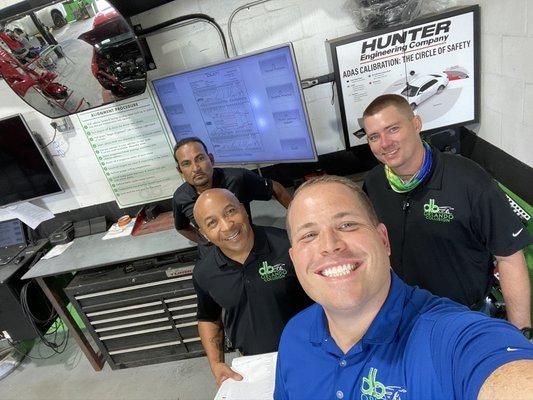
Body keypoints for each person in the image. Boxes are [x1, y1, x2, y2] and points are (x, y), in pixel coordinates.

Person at [275, 175, 533, 400]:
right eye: (308, 235)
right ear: (295, 258)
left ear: (384, 240)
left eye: (347, 225)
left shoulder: (448, 338)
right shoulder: (293, 336)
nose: (330, 245)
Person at [362, 94, 531, 329]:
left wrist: (520, 338)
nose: (385, 143)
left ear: (416, 124)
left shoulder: (469, 180)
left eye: (392, 129)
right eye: (374, 136)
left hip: (464, 319)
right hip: (405, 315)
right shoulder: (374, 183)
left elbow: (509, 257)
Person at [192, 188, 311, 386]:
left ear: (244, 209)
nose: (227, 225)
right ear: (204, 234)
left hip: (309, 353)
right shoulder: (204, 272)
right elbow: (208, 318)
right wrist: (216, 364)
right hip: (253, 366)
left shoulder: (288, 246)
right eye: (212, 222)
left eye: (230, 211)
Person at [172, 137, 292, 256]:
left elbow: (276, 189)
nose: (196, 168)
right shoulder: (180, 197)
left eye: (200, 158)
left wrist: (297, 219)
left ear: (211, 159)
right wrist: (205, 240)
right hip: (214, 256)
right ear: (180, 170)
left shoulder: (237, 178)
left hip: (246, 245)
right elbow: (182, 227)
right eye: (186, 163)